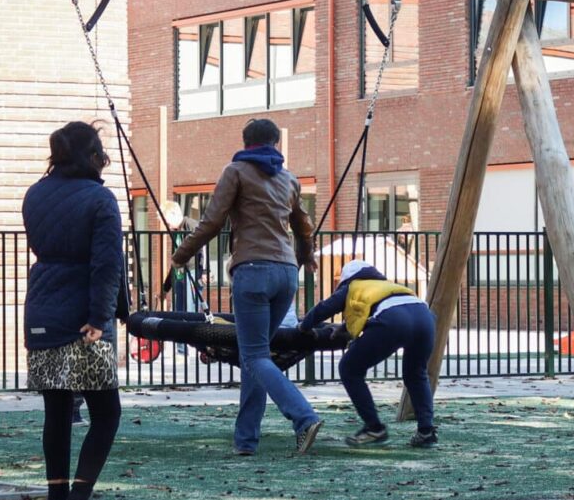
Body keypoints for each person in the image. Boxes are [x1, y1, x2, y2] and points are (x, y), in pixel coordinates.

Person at [171, 118, 324, 456]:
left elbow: (212, 222)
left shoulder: (236, 171)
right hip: (286, 274)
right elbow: (302, 223)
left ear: (245, 141)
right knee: (256, 355)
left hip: (253, 271)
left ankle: (303, 418)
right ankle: (245, 440)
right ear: (275, 143)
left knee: (253, 354)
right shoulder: (289, 179)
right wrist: (307, 256)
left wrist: (180, 257)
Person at [22, 121, 126, 500]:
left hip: (43, 309)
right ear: (91, 155)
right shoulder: (100, 199)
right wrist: (101, 318)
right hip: (83, 320)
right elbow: (106, 265)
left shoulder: (34, 195)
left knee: (58, 411)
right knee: (106, 413)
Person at [302, 259, 439, 448]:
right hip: (425, 318)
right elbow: (371, 312)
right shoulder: (388, 286)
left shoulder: (352, 286)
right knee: (416, 374)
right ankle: (426, 431)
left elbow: (324, 308)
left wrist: (303, 326)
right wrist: (345, 328)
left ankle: (374, 427)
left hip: (394, 321)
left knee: (349, 368)